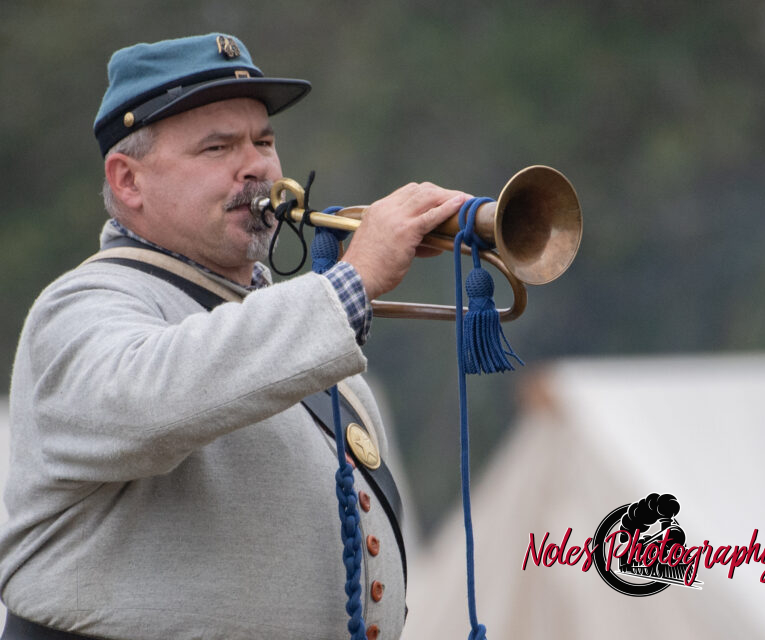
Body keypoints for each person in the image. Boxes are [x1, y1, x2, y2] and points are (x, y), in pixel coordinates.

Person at [0, 34, 467, 640]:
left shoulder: (289, 321)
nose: (258, 167)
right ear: (128, 181)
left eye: (264, 142)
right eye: (218, 146)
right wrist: (350, 283)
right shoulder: (79, 306)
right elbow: (152, 397)